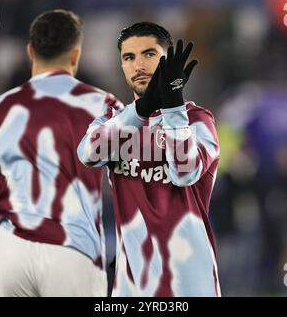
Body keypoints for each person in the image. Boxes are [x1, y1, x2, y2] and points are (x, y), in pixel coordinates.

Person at [0, 9, 121, 297]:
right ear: (76, 55)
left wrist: (4, 225)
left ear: (30, 52)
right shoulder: (104, 105)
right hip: (73, 248)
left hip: (9, 253)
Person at [77, 22, 221, 296]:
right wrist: (142, 109)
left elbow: (184, 172)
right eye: (129, 57)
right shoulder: (111, 120)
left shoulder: (198, 120)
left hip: (189, 285)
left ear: (167, 60)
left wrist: (172, 104)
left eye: (149, 54)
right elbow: (87, 154)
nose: (138, 65)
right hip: (132, 288)